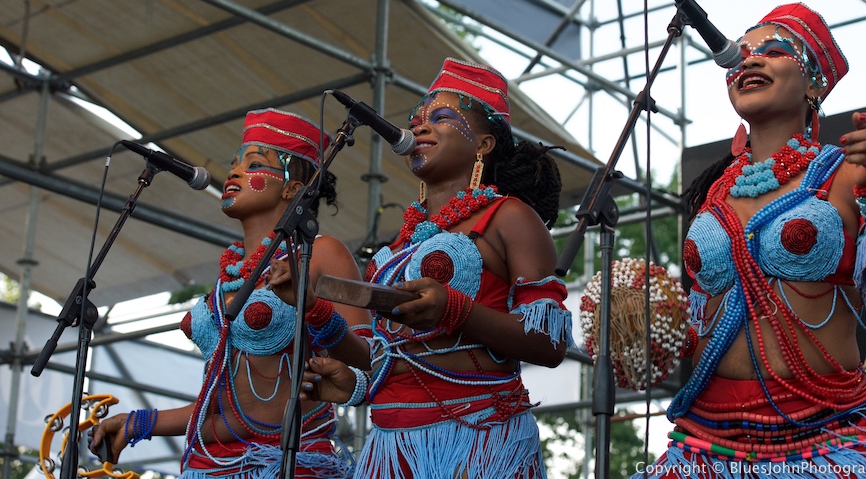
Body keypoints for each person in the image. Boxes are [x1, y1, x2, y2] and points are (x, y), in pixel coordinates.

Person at [634, 3, 866, 478]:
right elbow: (706, 323)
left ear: (814, 83)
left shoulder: (851, 172)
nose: (748, 61)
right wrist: (649, 332)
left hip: (824, 442)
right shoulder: (714, 194)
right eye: (740, 55)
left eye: (773, 52)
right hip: (706, 446)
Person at [300, 58, 572, 478]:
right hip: (391, 448)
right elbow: (383, 358)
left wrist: (456, 310)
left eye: (442, 118)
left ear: (483, 145)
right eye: (416, 120)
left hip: (477, 440)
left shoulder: (510, 217)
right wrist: (321, 320)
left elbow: (550, 344)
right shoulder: (399, 246)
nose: (420, 127)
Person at [89, 108, 372, 479]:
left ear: (293, 189)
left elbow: (370, 361)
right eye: (234, 163)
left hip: (285, 464)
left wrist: (315, 308)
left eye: (253, 164)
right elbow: (225, 406)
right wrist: (136, 423)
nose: (234, 172)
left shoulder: (321, 252)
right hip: (210, 464)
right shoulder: (229, 277)